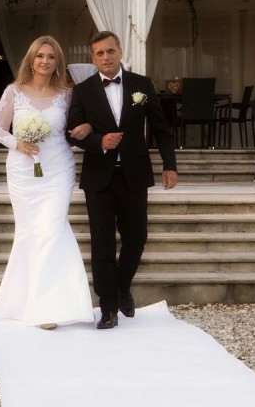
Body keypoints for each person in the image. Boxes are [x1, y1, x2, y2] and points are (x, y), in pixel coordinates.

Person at [66, 31, 178, 330]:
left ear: (120, 52)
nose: (106, 57)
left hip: (134, 174)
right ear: (93, 58)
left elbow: (160, 127)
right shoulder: (83, 90)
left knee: (137, 238)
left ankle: (122, 286)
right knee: (102, 243)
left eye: (110, 51)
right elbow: (72, 133)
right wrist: (100, 141)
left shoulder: (142, 85)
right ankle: (108, 308)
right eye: (100, 53)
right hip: (99, 178)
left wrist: (169, 165)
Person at [0, 35, 94, 329]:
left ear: (58, 62)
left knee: (51, 230)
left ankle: (50, 307)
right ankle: (24, 302)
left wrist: (86, 128)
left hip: (58, 169)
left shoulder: (66, 95)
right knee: (29, 233)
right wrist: (18, 143)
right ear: (31, 60)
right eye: (40, 56)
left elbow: (74, 130)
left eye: (51, 56)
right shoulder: (13, 91)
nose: (45, 61)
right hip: (23, 172)